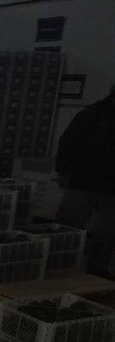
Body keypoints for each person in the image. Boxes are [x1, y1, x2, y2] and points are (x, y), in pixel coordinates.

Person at [54, 85, 115, 279]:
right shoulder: (91, 115)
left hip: (111, 186)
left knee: (107, 231)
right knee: (68, 226)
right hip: (83, 181)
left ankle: (98, 269)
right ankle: (58, 265)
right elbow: (67, 144)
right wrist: (63, 172)